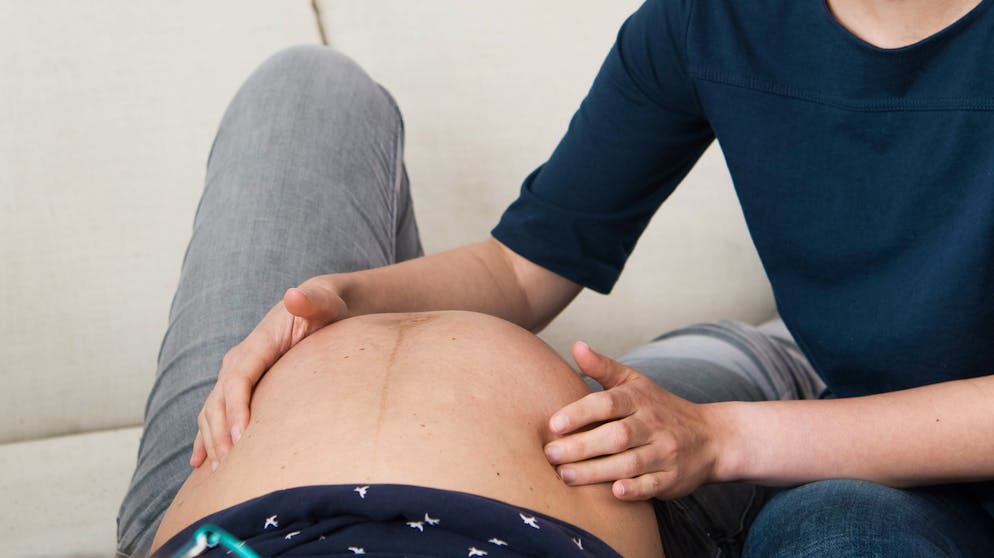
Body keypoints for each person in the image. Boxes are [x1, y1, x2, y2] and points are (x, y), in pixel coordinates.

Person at [119, 0, 994, 556]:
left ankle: (769, 362)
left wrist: (722, 436)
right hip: (796, 417)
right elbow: (520, 266)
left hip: (904, 466)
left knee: (833, 523)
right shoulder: (708, 21)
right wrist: (344, 299)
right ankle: (769, 354)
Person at [149, 310, 665, 557]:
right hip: (622, 446)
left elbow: (517, 264)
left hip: (227, 440)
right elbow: (522, 262)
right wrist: (710, 431)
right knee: (703, 350)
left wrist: (328, 297)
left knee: (297, 117)